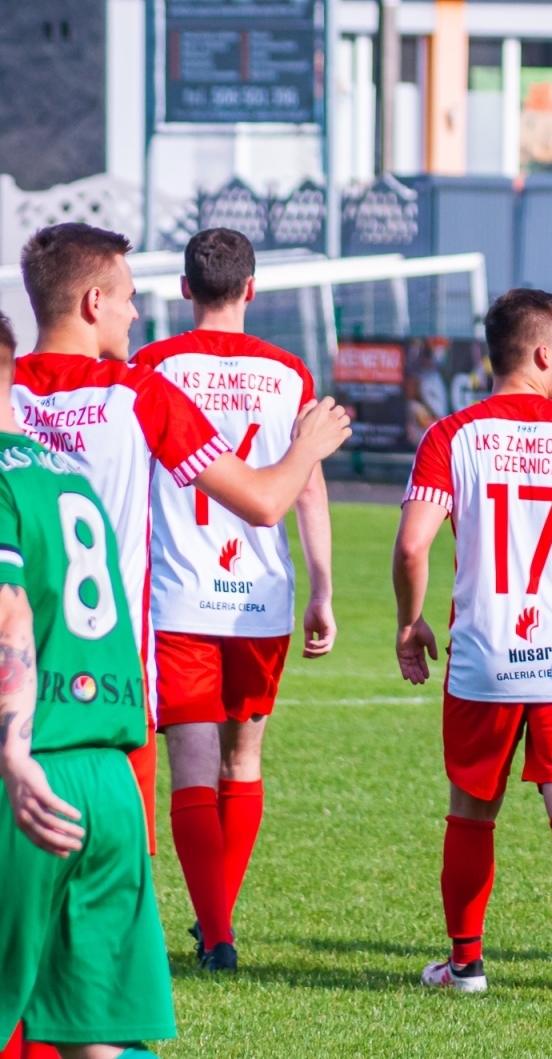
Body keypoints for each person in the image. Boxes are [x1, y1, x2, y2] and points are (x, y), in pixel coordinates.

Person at [10, 224, 350, 862]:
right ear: (94, 302)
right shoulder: (139, 392)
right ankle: (213, 916)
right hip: (113, 680)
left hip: (20, 670)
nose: (135, 313)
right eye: (129, 297)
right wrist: (308, 447)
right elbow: (265, 501)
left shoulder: (13, 393)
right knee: (114, 876)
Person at [395, 288, 552, 1005]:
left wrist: (410, 622)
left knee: (473, 808)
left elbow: (412, 546)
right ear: (540, 354)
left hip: (485, 654)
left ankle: (467, 966)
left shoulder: (451, 436)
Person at [133, 228, 337, 974]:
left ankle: (216, 934)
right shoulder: (288, 373)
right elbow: (306, 484)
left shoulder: (151, 367)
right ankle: (217, 920)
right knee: (242, 760)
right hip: (260, 594)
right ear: (252, 289)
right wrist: (323, 588)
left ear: (185, 288)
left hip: (178, 594)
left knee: (190, 767)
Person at [0, 311, 179, 1057]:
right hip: (110, 781)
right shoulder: (66, 475)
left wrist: (13, 753)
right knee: (94, 1043)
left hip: (31, 773)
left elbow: (9, 614)